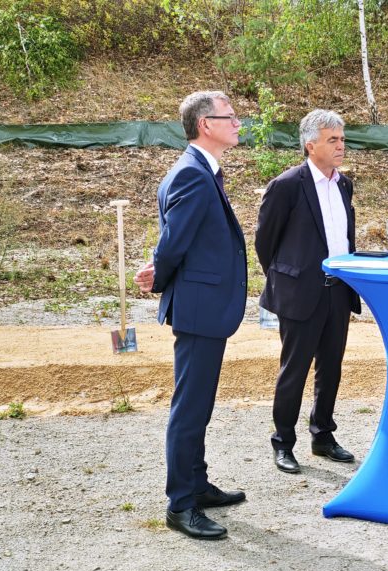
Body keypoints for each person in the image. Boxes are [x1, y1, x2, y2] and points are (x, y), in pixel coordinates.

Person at [133, 90, 248, 539]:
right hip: (199, 311)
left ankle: (197, 485)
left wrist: (157, 267)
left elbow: (179, 237)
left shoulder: (201, 172)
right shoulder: (194, 176)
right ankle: (180, 505)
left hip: (204, 308)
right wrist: (157, 273)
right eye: (231, 116)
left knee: (198, 406)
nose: (238, 123)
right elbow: (175, 240)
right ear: (206, 125)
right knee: (189, 409)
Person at [255, 109, 361, 474]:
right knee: (294, 370)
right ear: (310, 144)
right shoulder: (286, 185)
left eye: (342, 139)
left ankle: (323, 435)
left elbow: (346, 237)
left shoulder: (343, 185)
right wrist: (288, 278)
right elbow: (264, 243)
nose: (340, 146)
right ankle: (283, 442)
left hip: (338, 290)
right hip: (300, 293)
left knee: (330, 367)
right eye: (333, 140)